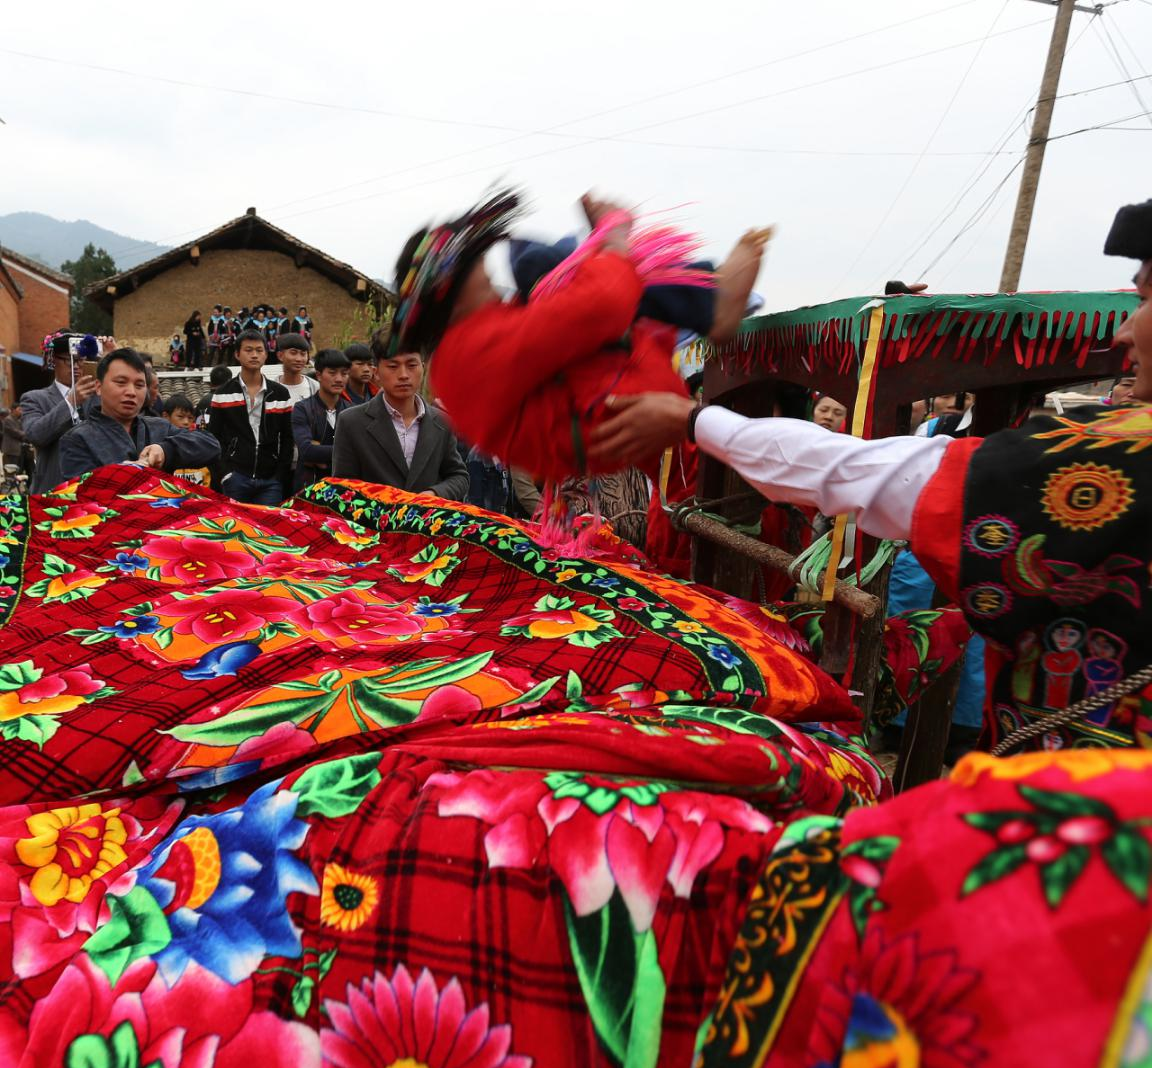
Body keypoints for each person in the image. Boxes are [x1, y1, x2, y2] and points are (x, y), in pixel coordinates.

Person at [588, 199, 1152, 753]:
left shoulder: (1117, 451)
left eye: (1145, 298)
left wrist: (696, 421)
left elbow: (869, 475)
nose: (1124, 332)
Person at [388, 189, 769, 482]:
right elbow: (603, 303)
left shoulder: (471, 342)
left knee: (542, 260)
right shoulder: (469, 352)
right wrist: (614, 238)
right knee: (543, 262)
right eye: (473, 263)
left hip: (627, 406)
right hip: (625, 408)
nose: (485, 266)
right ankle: (710, 304)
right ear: (450, 293)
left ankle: (708, 297)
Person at [332, 337, 468, 500]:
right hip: (372, 523)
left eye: (411, 365)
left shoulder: (442, 421)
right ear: (376, 374)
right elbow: (342, 488)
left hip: (428, 521)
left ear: (422, 368)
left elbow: (459, 476)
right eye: (393, 366)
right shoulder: (351, 422)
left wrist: (434, 494)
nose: (403, 375)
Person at [59, 349, 219, 479]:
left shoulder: (159, 427)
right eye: (121, 382)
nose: (131, 392)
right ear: (98, 387)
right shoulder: (77, 439)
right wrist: (124, 473)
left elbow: (210, 445)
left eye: (139, 385)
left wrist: (165, 450)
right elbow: (80, 493)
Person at [208, 330, 294, 505]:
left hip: (270, 481)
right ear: (237, 354)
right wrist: (224, 473)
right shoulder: (223, 393)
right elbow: (213, 437)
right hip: (235, 477)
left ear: (265, 354)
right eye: (248, 350)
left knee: (268, 530)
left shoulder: (280, 394)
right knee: (235, 528)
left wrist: (279, 475)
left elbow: (288, 437)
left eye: (259, 350)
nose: (254, 355)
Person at [20, 334, 102, 493]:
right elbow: (36, 435)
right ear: (53, 361)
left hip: (92, 488)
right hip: (53, 488)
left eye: (80, 360)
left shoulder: (97, 396)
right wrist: (70, 402)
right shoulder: (35, 398)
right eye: (69, 360)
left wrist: (112, 357)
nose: (76, 366)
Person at [292, 348, 350, 491]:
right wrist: (344, 451)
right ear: (318, 375)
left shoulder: (353, 411)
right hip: (309, 486)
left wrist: (320, 453)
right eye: (332, 373)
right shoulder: (302, 408)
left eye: (344, 374)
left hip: (344, 488)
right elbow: (306, 450)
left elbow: (360, 453)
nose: (339, 379)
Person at [274, 333, 318, 407]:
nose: (299, 359)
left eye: (303, 354)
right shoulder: (269, 390)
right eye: (293, 353)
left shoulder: (315, 388)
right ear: (280, 356)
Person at [2, 405, 24, 471]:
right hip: (10, 450)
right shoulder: (8, 419)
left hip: (18, 450)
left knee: (17, 472)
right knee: (10, 472)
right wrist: (27, 434)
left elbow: (23, 431)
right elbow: (15, 432)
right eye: (19, 409)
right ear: (14, 410)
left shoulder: (19, 421)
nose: (21, 412)